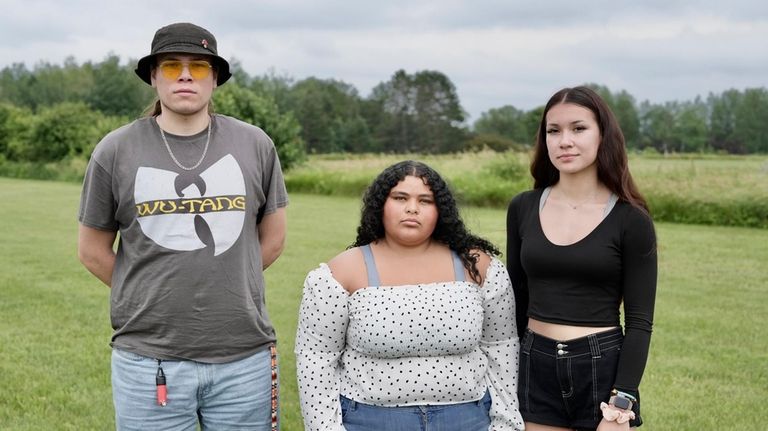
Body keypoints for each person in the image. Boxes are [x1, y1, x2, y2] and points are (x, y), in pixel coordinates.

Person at [77, 22, 288, 430]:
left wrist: (224, 278)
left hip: (243, 358)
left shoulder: (255, 144)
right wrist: (147, 291)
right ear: (154, 77)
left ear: (215, 79)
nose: (186, 75)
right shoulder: (115, 150)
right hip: (148, 360)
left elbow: (274, 238)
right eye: (172, 67)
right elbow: (91, 250)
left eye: (199, 67)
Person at [295, 160, 525, 431]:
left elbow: (502, 347)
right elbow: (315, 358)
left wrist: (506, 423)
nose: (412, 208)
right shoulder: (340, 273)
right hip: (368, 420)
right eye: (400, 197)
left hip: (468, 418)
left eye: (425, 200)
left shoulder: (478, 267)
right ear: (381, 204)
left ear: (441, 210)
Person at [506, 86, 657, 431]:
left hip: (601, 369)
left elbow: (639, 322)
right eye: (553, 131)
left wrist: (623, 401)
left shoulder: (630, 219)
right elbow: (516, 302)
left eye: (578, 128)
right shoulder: (523, 208)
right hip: (535, 363)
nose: (564, 141)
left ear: (603, 135)